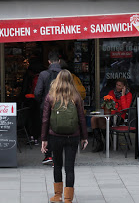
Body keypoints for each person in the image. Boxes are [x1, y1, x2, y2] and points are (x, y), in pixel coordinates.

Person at [41, 70, 88, 203]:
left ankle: (57, 196)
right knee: (69, 168)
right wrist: (84, 137)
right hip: (73, 136)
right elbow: (81, 118)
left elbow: (45, 120)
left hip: (55, 136)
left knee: (57, 165)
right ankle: (68, 198)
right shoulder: (76, 96)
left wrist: (44, 139)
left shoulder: (51, 96)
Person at [90, 78, 132, 152]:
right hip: (109, 115)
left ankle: (107, 142)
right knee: (93, 118)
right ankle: (99, 143)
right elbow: (105, 106)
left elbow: (125, 109)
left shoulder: (128, 95)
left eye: (120, 85)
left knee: (101, 120)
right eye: (117, 85)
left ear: (124, 87)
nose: (117, 87)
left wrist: (122, 95)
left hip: (119, 117)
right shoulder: (111, 92)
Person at [34, 50, 62, 164]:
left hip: (46, 106)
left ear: (49, 61)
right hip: (61, 106)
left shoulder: (43, 74)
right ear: (59, 61)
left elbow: (37, 92)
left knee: (46, 129)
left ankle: (48, 155)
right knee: (59, 130)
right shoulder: (65, 74)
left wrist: (42, 102)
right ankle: (58, 156)